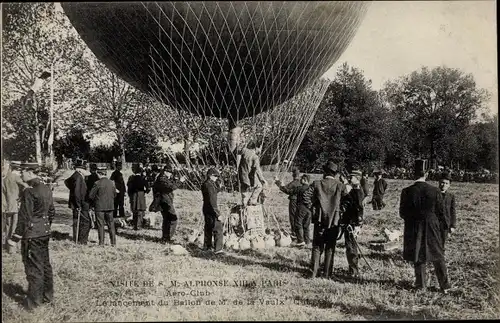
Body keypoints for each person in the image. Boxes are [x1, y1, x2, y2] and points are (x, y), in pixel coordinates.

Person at [399, 159, 451, 294]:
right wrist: (444, 228)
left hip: (414, 227)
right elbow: (441, 213)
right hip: (432, 227)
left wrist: (413, 220)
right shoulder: (435, 191)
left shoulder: (406, 191)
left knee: (418, 255)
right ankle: (444, 286)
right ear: (426, 174)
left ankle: (421, 285)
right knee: (438, 255)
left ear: (413, 174)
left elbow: (402, 213)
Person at [8, 170, 54, 311]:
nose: (21, 175)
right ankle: (47, 297)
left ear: (29, 173)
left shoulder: (29, 192)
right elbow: (51, 212)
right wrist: (43, 227)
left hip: (32, 235)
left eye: (23, 172)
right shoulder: (46, 188)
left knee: (34, 268)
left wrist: (15, 237)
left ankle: (34, 303)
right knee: (45, 265)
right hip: (44, 233)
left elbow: (24, 217)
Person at [309, 161, 346, 279]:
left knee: (317, 246)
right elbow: (348, 200)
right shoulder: (340, 186)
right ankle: (327, 274)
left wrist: (314, 207)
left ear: (324, 172)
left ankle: (313, 273)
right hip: (334, 221)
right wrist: (340, 210)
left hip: (319, 220)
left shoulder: (316, 184)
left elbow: (306, 196)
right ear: (335, 174)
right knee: (330, 247)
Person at [339, 170, 365, 278]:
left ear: (357, 178)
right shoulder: (355, 190)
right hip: (350, 223)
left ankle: (354, 271)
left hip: (352, 224)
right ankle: (352, 269)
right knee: (350, 246)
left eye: (352, 177)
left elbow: (359, 209)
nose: (350, 179)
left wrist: (357, 225)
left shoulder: (357, 192)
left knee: (351, 247)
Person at [275, 174, 312, 248]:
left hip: (301, 208)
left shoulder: (300, 188)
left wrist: (278, 184)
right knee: (306, 225)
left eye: (301, 179)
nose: (300, 180)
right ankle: (307, 241)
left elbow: (288, 191)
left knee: (298, 224)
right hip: (309, 209)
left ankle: (301, 241)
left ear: (304, 180)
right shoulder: (312, 188)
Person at [153, 165, 186, 244]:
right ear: (165, 172)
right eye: (170, 173)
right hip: (165, 202)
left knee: (167, 220)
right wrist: (180, 181)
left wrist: (176, 180)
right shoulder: (162, 179)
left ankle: (165, 238)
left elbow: (171, 184)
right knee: (173, 219)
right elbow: (172, 187)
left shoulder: (163, 178)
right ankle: (167, 238)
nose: (171, 174)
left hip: (165, 201)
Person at [2, 160, 30, 253]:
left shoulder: (5, 178)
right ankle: (12, 248)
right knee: (15, 226)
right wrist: (21, 197)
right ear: (18, 168)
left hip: (7, 206)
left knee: (8, 226)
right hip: (15, 206)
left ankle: (7, 245)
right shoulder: (17, 177)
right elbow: (26, 187)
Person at [64, 159, 91, 244]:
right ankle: (82, 241)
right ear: (79, 169)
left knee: (77, 222)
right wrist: (78, 205)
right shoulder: (78, 177)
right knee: (86, 222)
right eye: (84, 169)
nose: (85, 171)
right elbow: (76, 193)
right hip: (80, 204)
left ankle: (77, 238)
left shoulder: (75, 176)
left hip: (76, 203)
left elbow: (66, 182)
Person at [88, 169, 117, 246]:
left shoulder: (97, 183)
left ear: (100, 174)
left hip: (99, 207)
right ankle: (113, 242)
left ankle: (101, 243)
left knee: (100, 225)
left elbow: (91, 196)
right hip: (110, 207)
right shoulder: (112, 183)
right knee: (111, 224)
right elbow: (115, 195)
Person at [236, 142, 267, 206]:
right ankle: (252, 200)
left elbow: (237, 151)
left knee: (244, 188)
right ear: (256, 148)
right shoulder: (255, 157)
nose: (260, 151)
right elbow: (257, 170)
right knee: (259, 186)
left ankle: (244, 202)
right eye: (260, 149)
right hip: (248, 176)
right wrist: (262, 179)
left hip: (241, 175)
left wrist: (241, 144)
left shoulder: (244, 150)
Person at [201, 168, 223, 253]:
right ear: (210, 176)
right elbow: (212, 199)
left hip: (206, 208)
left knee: (208, 228)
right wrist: (218, 214)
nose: (217, 178)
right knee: (218, 228)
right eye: (215, 176)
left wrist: (218, 188)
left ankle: (207, 247)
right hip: (212, 209)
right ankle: (218, 249)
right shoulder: (210, 185)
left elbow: (213, 193)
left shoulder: (206, 184)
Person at [276, 168, 301, 242]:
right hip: (300, 202)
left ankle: (294, 233)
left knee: (292, 217)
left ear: (293, 175)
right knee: (298, 217)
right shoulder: (301, 182)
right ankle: (299, 234)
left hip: (293, 201)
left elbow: (285, 189)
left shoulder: (293, 183)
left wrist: (278, 182)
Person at [127, 163, 150, 230]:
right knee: (140, 210)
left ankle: (135, 225)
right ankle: (139, 225)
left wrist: (130, 195)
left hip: (134, 195)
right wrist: (145, 192)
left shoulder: (131, 178)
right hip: (141, 194)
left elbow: (129, 188)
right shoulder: (143, 178)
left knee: (134, 210)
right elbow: (148, 188)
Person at [439, 172, 456, 241]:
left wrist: (453, 225)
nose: (444, 185)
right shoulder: (434, 194)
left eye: (446, 183)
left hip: (445, 224)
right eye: (442, 182)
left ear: (449, 185)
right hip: (435, 224)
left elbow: (452, 211)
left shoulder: (451, 196)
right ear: (439, 182)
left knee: (443, 243)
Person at [86, 163, 100, 229]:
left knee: (90, 209)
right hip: (97, 196)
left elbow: (86, 187)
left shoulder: (88, 177)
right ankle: (96, 222)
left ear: (90, 169)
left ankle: (91, 223)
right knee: (96, 210)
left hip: (90, 195)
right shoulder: (98, 177)